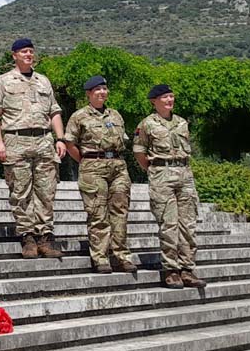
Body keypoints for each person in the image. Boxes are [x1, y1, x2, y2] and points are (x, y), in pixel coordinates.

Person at [0, 38, 66, 259]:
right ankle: (27, 237)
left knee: (46, 191)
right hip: (16, 139)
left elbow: (54, 112)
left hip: (43, 140)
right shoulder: (2, 81)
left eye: (31, 51)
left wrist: (60, 139)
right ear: (14, 55)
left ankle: (45, 237)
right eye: (24, 52)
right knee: (20, 191)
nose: (28, 55)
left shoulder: (44, 81)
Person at [62, 75, 137, 274]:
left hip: (118, 166)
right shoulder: (79, 116)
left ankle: (121, 256)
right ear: (89, 93)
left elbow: (123, 140)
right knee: (97, 213)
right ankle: (100, 257)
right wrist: (86, 160)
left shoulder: (115, 115)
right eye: (98, 89)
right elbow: (70, 143)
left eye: (104, 89)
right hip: (92, 166)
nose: (102, 92)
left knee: (120, 212)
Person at [135, 84, 206, 289]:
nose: (169, 100)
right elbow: (139, 151)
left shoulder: (182, 122)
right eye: (165, 97)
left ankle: (187, 269)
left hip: (184, 173)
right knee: (169, 224)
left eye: (171, 96)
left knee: (188, 224)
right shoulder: (147, 124)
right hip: (161, 174)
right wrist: (154, 170)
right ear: (154, 101)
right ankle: (171, 270)